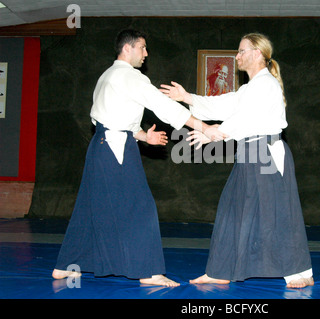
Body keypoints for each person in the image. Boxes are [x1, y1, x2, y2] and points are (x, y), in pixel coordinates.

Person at [52, 29, 225, 287]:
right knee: (141, 207)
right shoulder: (130, 77)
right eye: (142, 47)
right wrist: (203, 127)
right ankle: (149, 272)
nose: (146, 53)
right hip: (116, 149)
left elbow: (110, 117)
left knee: (89, 207)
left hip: (101, 147)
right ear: (127, 49)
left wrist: (144, 137)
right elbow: (164, 107)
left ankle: (64, 267)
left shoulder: (106, 76)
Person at [160, 33, 314, 288]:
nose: (238, 56)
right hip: (249, 154)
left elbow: (248, 118)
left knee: (276, 213)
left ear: (257, 54)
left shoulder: (266, 85)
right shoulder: (249, 88)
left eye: (242, 51)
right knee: (231, 211)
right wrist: (187, 97)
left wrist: (214, 135)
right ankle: (220, 270)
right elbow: (224, 104)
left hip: (266, 153)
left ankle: (300, 273)